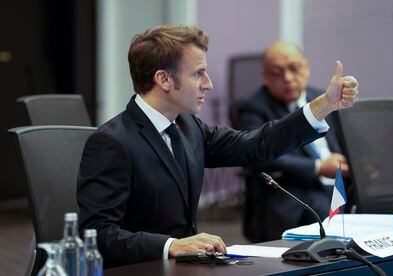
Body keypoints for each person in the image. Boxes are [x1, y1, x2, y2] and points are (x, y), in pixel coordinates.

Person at [77, 25, 358, 268]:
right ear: (164, 79)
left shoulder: (189, 127)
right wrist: (171, 245)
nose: (209, 84)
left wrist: (323, 106)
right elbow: (97, 234)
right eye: (198, 74)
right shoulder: (112, 142)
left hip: (188, 266)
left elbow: (255, 145)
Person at [230, 41, 353, 242]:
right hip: (291, 193)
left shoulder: (322, 98)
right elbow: (256, 154)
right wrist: (319, 166)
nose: (287, 78)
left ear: (307, 67)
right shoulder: (251, 107)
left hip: (336, 188)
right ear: (265, 77)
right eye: (277, 72)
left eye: (294, 69)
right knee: (323, 212)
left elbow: (344, 142)